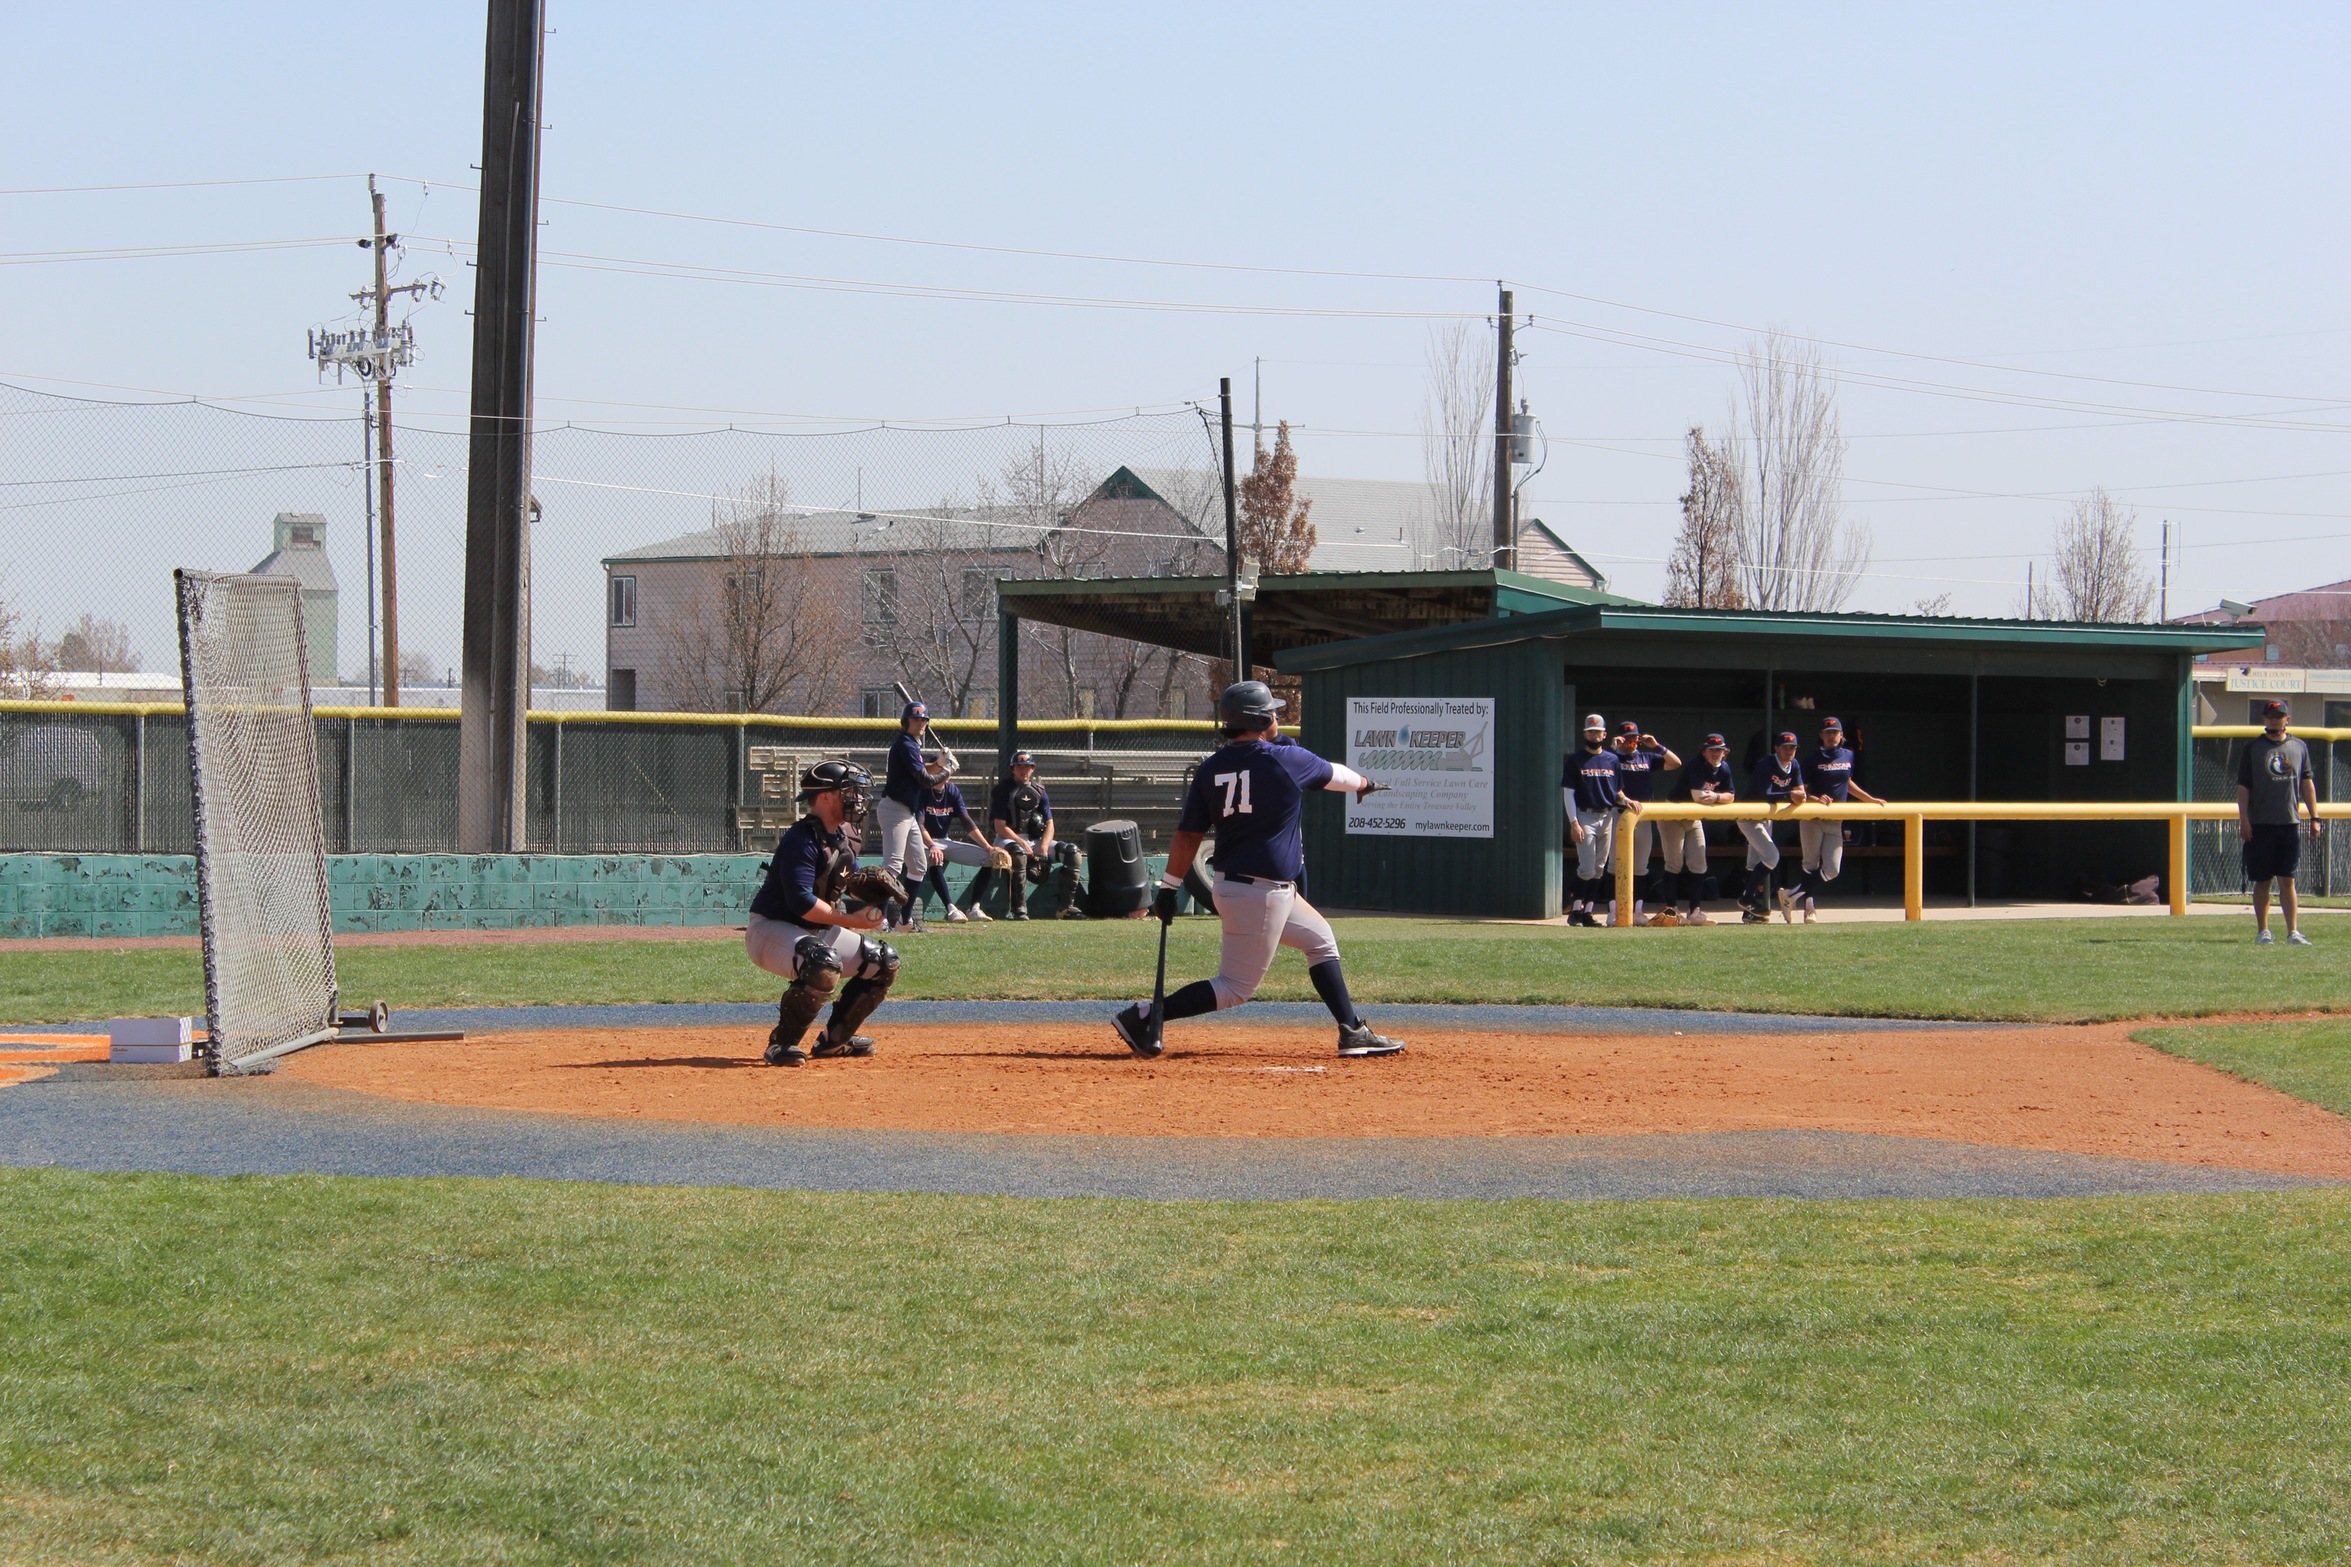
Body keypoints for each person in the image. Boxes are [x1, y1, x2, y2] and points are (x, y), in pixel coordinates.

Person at [1112, 680, 1404, 1059]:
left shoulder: (1210, 768)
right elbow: (1338, 776)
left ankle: (1352, 1030)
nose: (1277, 716)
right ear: (1259, 717)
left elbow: (1187, 837)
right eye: (1273, 711)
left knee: (1320, 941)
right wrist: (1366, 783)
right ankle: (1146, 1016)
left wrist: (1169, 887)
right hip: (1259, 892)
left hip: (1249, 887)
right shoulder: (1286, 758)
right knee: (1235, 988)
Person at [744, 761, 900, 1067]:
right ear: (826, 797)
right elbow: (801, 901)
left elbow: (848, 884)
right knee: (822, 961)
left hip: (814, 932)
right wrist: (850, 921)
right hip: (771, 930)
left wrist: (871, 897)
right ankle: (782, 1044)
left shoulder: (845, 836)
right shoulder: (801, 839)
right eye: (849, 791)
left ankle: (834, 1041)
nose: (857, 797)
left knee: (884, 961)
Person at [2237, 698, 2322, 946]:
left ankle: (2293, 932)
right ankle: (2263, 931)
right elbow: (2243, 787)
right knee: (2263, 879)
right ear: (2264, 719)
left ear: (2288, 719)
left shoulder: (2298, 747)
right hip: (2261, 824)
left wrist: (2314, 817)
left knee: (2288, 879)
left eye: (2279, 716)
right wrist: (2244, 819)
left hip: (2289, 823)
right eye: (2270, 716)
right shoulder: (2253, 748)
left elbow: (2307, 783)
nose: (2274, 720)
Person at [1791, 717, 1887, 922]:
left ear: (1841, 735)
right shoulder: (1811, 759)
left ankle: (1790, 895)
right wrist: (1816, 799)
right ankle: (1809, 908)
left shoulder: (1849, 755)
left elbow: (1847, 782)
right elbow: (1802, 792)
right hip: (1813, 817)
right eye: (1827, 733)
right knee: (1810, 864)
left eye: (1835, 732)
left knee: (1833, 869)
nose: (1831, 736)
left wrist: (1868, 799)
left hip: (1835, 820)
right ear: (1821, 735)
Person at [1561, 713, 1639, 927]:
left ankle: (1587, 912)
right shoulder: (1575, 760)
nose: (1594, 735)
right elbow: (1568, 793)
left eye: (1598, 732)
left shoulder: (1612, 759)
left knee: (1599, 868)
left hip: (1606, 816)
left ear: (1604, 734)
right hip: (1584, 815)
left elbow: (1617, 792)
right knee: (1586, 868)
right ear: (1585, 733)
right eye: (1590, 732)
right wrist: (1574, 822)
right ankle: (1574, 910)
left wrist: (1627, 800)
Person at [987, 749, 1085, 920]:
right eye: (1019, 767)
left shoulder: (1039, 790)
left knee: (1073, 853)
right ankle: (1019, 909)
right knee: (1018, 855)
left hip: (1035, 839)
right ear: (1012, 769)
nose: (1023, 770)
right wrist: (1020, 841)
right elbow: (999, 826)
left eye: (1027, 766)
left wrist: (1045, 846)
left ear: (1033, 769)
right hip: (1008, 838)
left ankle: (1065, 907)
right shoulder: (1003, 790)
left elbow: (1049, 823)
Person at [1658, 731, 1736, 925]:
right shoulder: (1696, 764)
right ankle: (1671, 911)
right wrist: (1717, 797)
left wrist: (1717, 797)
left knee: (1699, 863)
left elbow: (1731, 795)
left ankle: (1695, 911)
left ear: (1725, 753)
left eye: (1719, 750)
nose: (1715, 754)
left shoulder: (1724, 768)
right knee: (1674, 863)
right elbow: (1698, 796)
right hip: (1673, 815)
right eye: (1711, 750)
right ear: (1704, 752)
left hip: (1693, 818)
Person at [1609, 719, 1681, 924]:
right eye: (1627, 738)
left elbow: (1675, 763)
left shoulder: (1646, 756)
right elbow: (1607, 770)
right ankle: (1614, 911)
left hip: (1642, 815)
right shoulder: (1612, 758)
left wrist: (1657, 745)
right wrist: (1614, 749)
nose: (1631, 742)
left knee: (1640, 867)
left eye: (1634, 738)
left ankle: (1637, 911)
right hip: (1620, 813)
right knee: (1614, 865)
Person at [915, 756, 994, 923]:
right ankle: (951, 909)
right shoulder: (922, 790)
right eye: (940, 770)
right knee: (935, 857)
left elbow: (967, 822)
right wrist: (932, 846)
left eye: (947, 770)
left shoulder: (952, 790)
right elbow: (919, 825)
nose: (944, 774)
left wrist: (988, 847)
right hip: (924, 841)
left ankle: (974, 908)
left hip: (945, 840)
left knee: (988, 859)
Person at [876, 701, 932, 933]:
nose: (920, 723)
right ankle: (879, 920)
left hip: (907, 812)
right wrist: (947, 770)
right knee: (892, 866)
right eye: (916, 719)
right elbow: (924, 780)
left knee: (919, 865)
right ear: (906, 721)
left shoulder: (912, 746)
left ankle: (904, 922)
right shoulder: (905, 744)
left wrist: (940, 763)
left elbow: (922, 771)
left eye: (924, 720)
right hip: (894, 809)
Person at [1741, 731, 1804, 923]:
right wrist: (1789, 795)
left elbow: (1799, 789)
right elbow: (1766, 794)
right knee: (1772, 857)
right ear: (1776, 748)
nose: (1789, 751)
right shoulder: (1766, 763)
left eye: (1792, 747)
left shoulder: (1794, 764)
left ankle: (1749, 914)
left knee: (1754, 864)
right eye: (1785, 747)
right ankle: (1746, 898)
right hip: (1749, 815)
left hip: (1767, 817)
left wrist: (1799, 794)